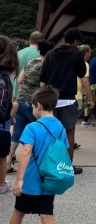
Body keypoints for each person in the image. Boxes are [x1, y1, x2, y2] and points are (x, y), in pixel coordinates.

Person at [1, 86, 69, 224]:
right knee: (47, 217)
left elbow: (25, 152)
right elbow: (63, 151)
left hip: (30, 181)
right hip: (49, 181)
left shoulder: (32, 127)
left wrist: (19, 180)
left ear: (38, 105)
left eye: (32, 106)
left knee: (18, 213)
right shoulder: (61, 127)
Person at [39, 28, 86, 175]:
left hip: (52, 98)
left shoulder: (51, 53)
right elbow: (82, 73)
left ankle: (45, 164)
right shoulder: (77, 54)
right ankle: (67, 165)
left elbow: (43, 76)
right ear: (76, 41)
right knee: (69, 131)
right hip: (68, 99)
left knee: (49, 131)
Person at [9, 40, 55, 173]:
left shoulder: (31, 62)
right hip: (34, 104)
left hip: (21, 101)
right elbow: (43, 86)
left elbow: (20, 80)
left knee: (16, 134)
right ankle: (35, 163)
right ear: (50, 51)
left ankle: (8, 162)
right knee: (38, 133)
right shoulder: (46, 65)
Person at [0, 36, 19, 195]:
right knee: (1, 157)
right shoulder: (4, 77)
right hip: (1, 126)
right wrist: (13, 110)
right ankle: (1, 184)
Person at [13, 31, 44, 96]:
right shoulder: (41, 55)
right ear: (42, 41)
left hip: (15, 91)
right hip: (30, 95)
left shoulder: (18, 53)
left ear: (29, 40)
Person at [78, 45, 95, 126]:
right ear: (86, 53)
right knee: (71, 125)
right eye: (90, 52)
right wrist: (91, 99)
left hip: (67, 94)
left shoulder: (72, 61)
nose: (90, 54)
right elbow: (85, 83)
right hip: (77, 96)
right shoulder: (85, 64)